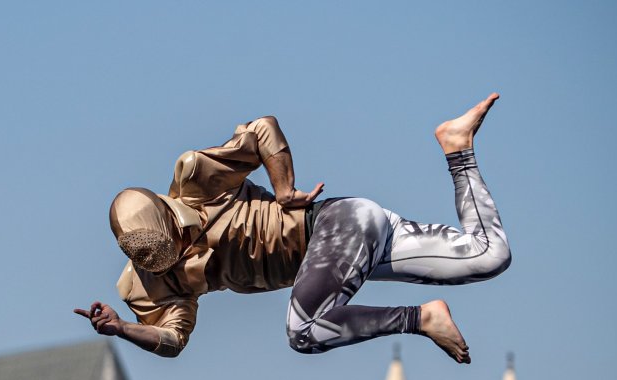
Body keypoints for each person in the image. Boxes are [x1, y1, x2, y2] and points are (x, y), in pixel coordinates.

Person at [75, 94, 510, 364]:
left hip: (335, 228)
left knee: (303, 331)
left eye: (181, 239)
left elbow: (263, 129)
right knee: (489, 255)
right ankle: (458, 147)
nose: (186, 250)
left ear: (171, 215)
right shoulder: (149, 284)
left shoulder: (195, 179)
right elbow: (173, 339)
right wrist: (122, 329)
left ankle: (420, 318)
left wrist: (283, 190)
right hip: (355, 249)